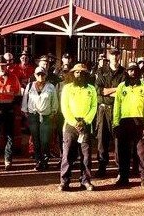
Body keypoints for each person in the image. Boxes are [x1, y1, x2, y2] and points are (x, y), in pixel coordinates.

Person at [113, 63, 144, 189]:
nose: (133, 73)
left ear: (139, 72)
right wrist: (115, 123)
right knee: (123, 152)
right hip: (124, 122)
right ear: (126, 72)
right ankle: (124, 177)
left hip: (140, 122)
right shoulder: (121, 87)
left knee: (142, 152)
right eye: (130, 71)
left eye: (135, 71)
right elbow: (117, 106)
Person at [59, 63, 97, 191]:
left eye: (82, 72)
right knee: (68, 154)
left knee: (86, 155)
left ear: (86, 74)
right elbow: (64, 107)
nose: (79, 74)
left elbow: (94, 107)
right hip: (70, 125)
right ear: (73, 74)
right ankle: (64, 181)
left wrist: (85, 121)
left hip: (86, 125)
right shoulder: (67, 88)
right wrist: (74, 122)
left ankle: (85, 180)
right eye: (76, 72)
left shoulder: (91, 89)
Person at [94, 48, 126, 177]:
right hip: (103, 110)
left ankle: (120, 169)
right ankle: (102, 167)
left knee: (119, 140)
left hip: (118, 110)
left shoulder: (124, 73)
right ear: (108, 56)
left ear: (119, 56)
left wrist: (108, 91)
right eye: (112, 55)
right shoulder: (101, 71)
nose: (114, 57)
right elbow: (99, 91)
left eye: (116, 55)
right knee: (102, 140)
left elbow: (123, 92)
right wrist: (115, 90)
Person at [21, 66, 58, 170]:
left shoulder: (51, 87)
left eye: (42, 74)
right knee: (36, 140)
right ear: (35, 75)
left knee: (45, 140)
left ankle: (45, 160)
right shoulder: (29, 86)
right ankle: (38, 161)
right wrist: (25, 111)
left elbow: (54, 101)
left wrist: (54, 112)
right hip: (33, 115)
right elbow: (25, 100)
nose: (40, 76)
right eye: (38, 74)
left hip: (46, 116)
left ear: (46, 75)